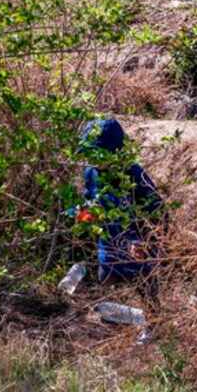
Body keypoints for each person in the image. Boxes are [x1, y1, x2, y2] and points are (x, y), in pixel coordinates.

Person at [73, 117, 164, 282]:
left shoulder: (133, 174)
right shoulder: (91, 173)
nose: (93, 160)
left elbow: (157, 210)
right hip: (108, 258)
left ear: (115, 151)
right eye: (89, 154)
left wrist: (145, 241)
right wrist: (81, 215)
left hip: (139, 261)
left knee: (146, 296)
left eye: (98, 154)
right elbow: (92, 206)